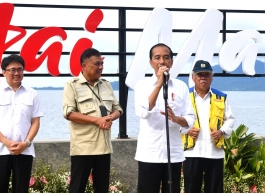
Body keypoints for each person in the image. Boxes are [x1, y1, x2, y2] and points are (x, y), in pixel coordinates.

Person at [134, 43, 196, 193]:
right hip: (149, 154)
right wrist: (159, 84)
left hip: (173, 154)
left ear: (171, 62)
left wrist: (175, 119)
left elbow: (190, 119)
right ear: (151, 63)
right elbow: (143, 111)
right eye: (157, 57)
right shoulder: (142, 85)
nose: (162, 61)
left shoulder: (180, 86)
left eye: (166, 57)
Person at [62, 47, 123, 193]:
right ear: (84, 65)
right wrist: (97, 120)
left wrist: (109, 118)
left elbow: (118, 109)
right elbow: (69, 113)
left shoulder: (106, 84)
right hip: (83, 148)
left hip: (104, 147)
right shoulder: (72, 85)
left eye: (102, 64)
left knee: (102, 188)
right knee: (77, 188)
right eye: (97, 64)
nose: (101, 67)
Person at [0, 54, 43, 193]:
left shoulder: (32, 94)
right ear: (3, 72)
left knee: (21, 189)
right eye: (12, 70)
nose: (17, 73)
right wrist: (7, 142)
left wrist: (26, 143)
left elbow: (35, 122)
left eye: (20, 69)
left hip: (24, 151)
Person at [182, 60, 235, 193]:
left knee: (215, 189)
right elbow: (174, 120)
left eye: (207, 75)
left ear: (211, 78)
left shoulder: (221, 97)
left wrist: (221, 131)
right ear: (193, 77)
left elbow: (230, 119)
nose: (203, 78)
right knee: (191, 189)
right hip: (192, 152)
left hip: (214, 152)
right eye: (200, 75)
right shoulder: (184, 97)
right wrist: (187, 130)